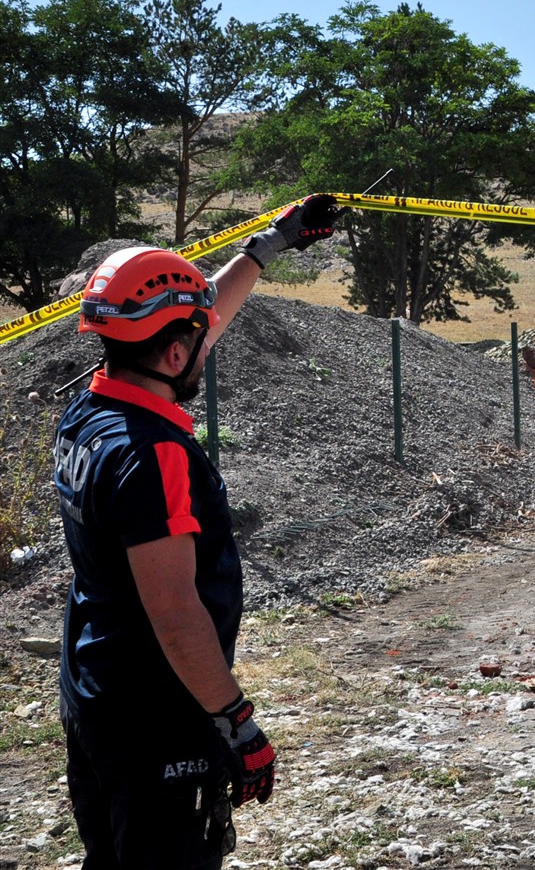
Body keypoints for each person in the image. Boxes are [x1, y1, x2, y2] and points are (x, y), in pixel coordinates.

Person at [53, 195, 339, 868]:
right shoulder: (153, 456)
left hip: (94, 689)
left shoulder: (89, 410)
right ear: (175, 352)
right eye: (195, 345)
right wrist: (238, 724)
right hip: (153, 716)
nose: (206, 349)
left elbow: (193, 324)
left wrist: (270, 246)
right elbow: (177, 616)